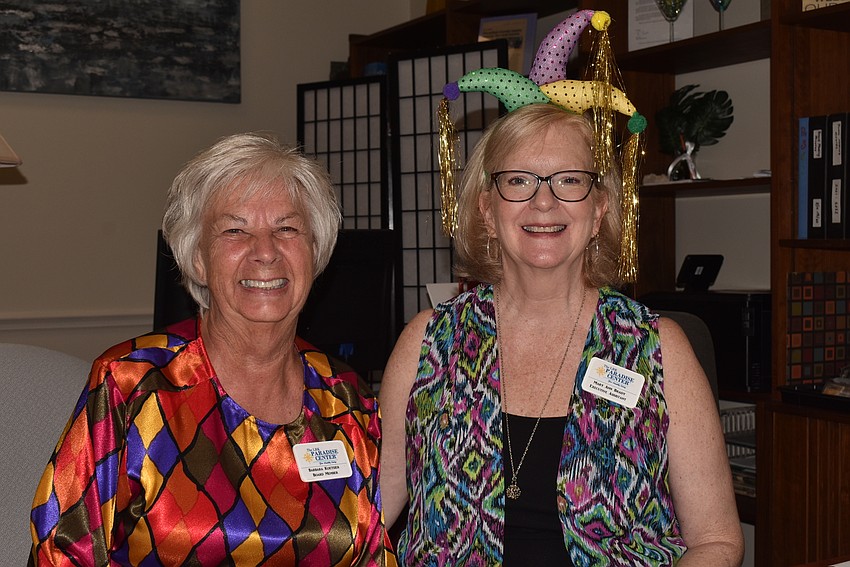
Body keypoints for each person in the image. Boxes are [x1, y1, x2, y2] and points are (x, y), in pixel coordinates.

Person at [380, 101, 744, 566]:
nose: (544, 201)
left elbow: (717, 542)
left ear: (599, 211)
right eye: (518, 180)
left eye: (570, 180)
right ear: (486, 211)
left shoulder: (657, 349)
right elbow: (370, 517)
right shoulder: (427, 343)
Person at [29, 132, 397, 566]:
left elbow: (372, 555)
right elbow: (61, 552)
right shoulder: (132, 385)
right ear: (198, 259)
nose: (265, 252)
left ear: (315, 253)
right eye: (235, 230)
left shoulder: (345, 400)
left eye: (287, 228)